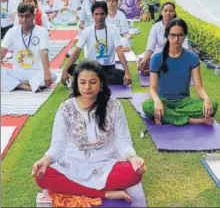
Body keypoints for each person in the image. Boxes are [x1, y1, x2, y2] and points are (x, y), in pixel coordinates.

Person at [32, 60, 146, 201]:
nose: (87, 87)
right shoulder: (66, 108)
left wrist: (132, 158)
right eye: (82, 82)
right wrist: (45, 160)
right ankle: (105, 194)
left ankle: (80, 190)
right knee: (42, 176)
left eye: (92, 82)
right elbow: (58, 144)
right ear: (77, 84)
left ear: (101, 83)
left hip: (106, 162)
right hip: (74, 163)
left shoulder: (114, 105)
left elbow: (122, 139)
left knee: (133, 174)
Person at [142, 18, 218, 126]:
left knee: (212, 106)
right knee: (148, 106)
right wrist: (157, 101)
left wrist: (206, 99)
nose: (176, 39)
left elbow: (199, 87)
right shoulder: (156, 58)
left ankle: (168, 117)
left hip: (184, 103)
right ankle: (193, 120)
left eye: (180, 35)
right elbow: (152, 89)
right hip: (164, 102)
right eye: (173, 35)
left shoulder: (192, 58)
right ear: (167, 36)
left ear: (185, 36)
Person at [61, 1, 132, 85]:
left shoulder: (113, 30)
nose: (99, 17)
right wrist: (64, 71)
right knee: (71, 68)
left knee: (122, 75)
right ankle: (97, 79)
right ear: (92, 15)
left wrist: (127, 72)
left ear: (106, 14)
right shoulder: (87, 31)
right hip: (90, 67)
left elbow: (120, 52)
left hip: (108, 68)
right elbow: (76, 51)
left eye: (102, 14)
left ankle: (91, 80)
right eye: (96, 14)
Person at [1, 3, 56, 93]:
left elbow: (44, 53)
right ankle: (24, 86)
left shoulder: (41, 31)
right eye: (21, 16)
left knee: (52, 75)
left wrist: (46, 73)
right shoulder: (12, 31)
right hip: (17, 72)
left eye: (27, 16)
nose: (24, 19)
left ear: (33, 16)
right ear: (18, 16)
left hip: (36, 72)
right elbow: (3, 51)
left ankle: (16, 84)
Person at [138, 1, 188, 75]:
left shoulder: (180, 27)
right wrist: (144, 61)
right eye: (165, 11)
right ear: (161, 12)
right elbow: (150, 47)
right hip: (159, 55)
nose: (168, 13)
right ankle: (159, 70)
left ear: (174, 13)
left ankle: (157, 70)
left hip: (175, 55)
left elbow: (184, 47)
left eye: (171, 11)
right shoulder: (156, 27)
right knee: (143, 62)